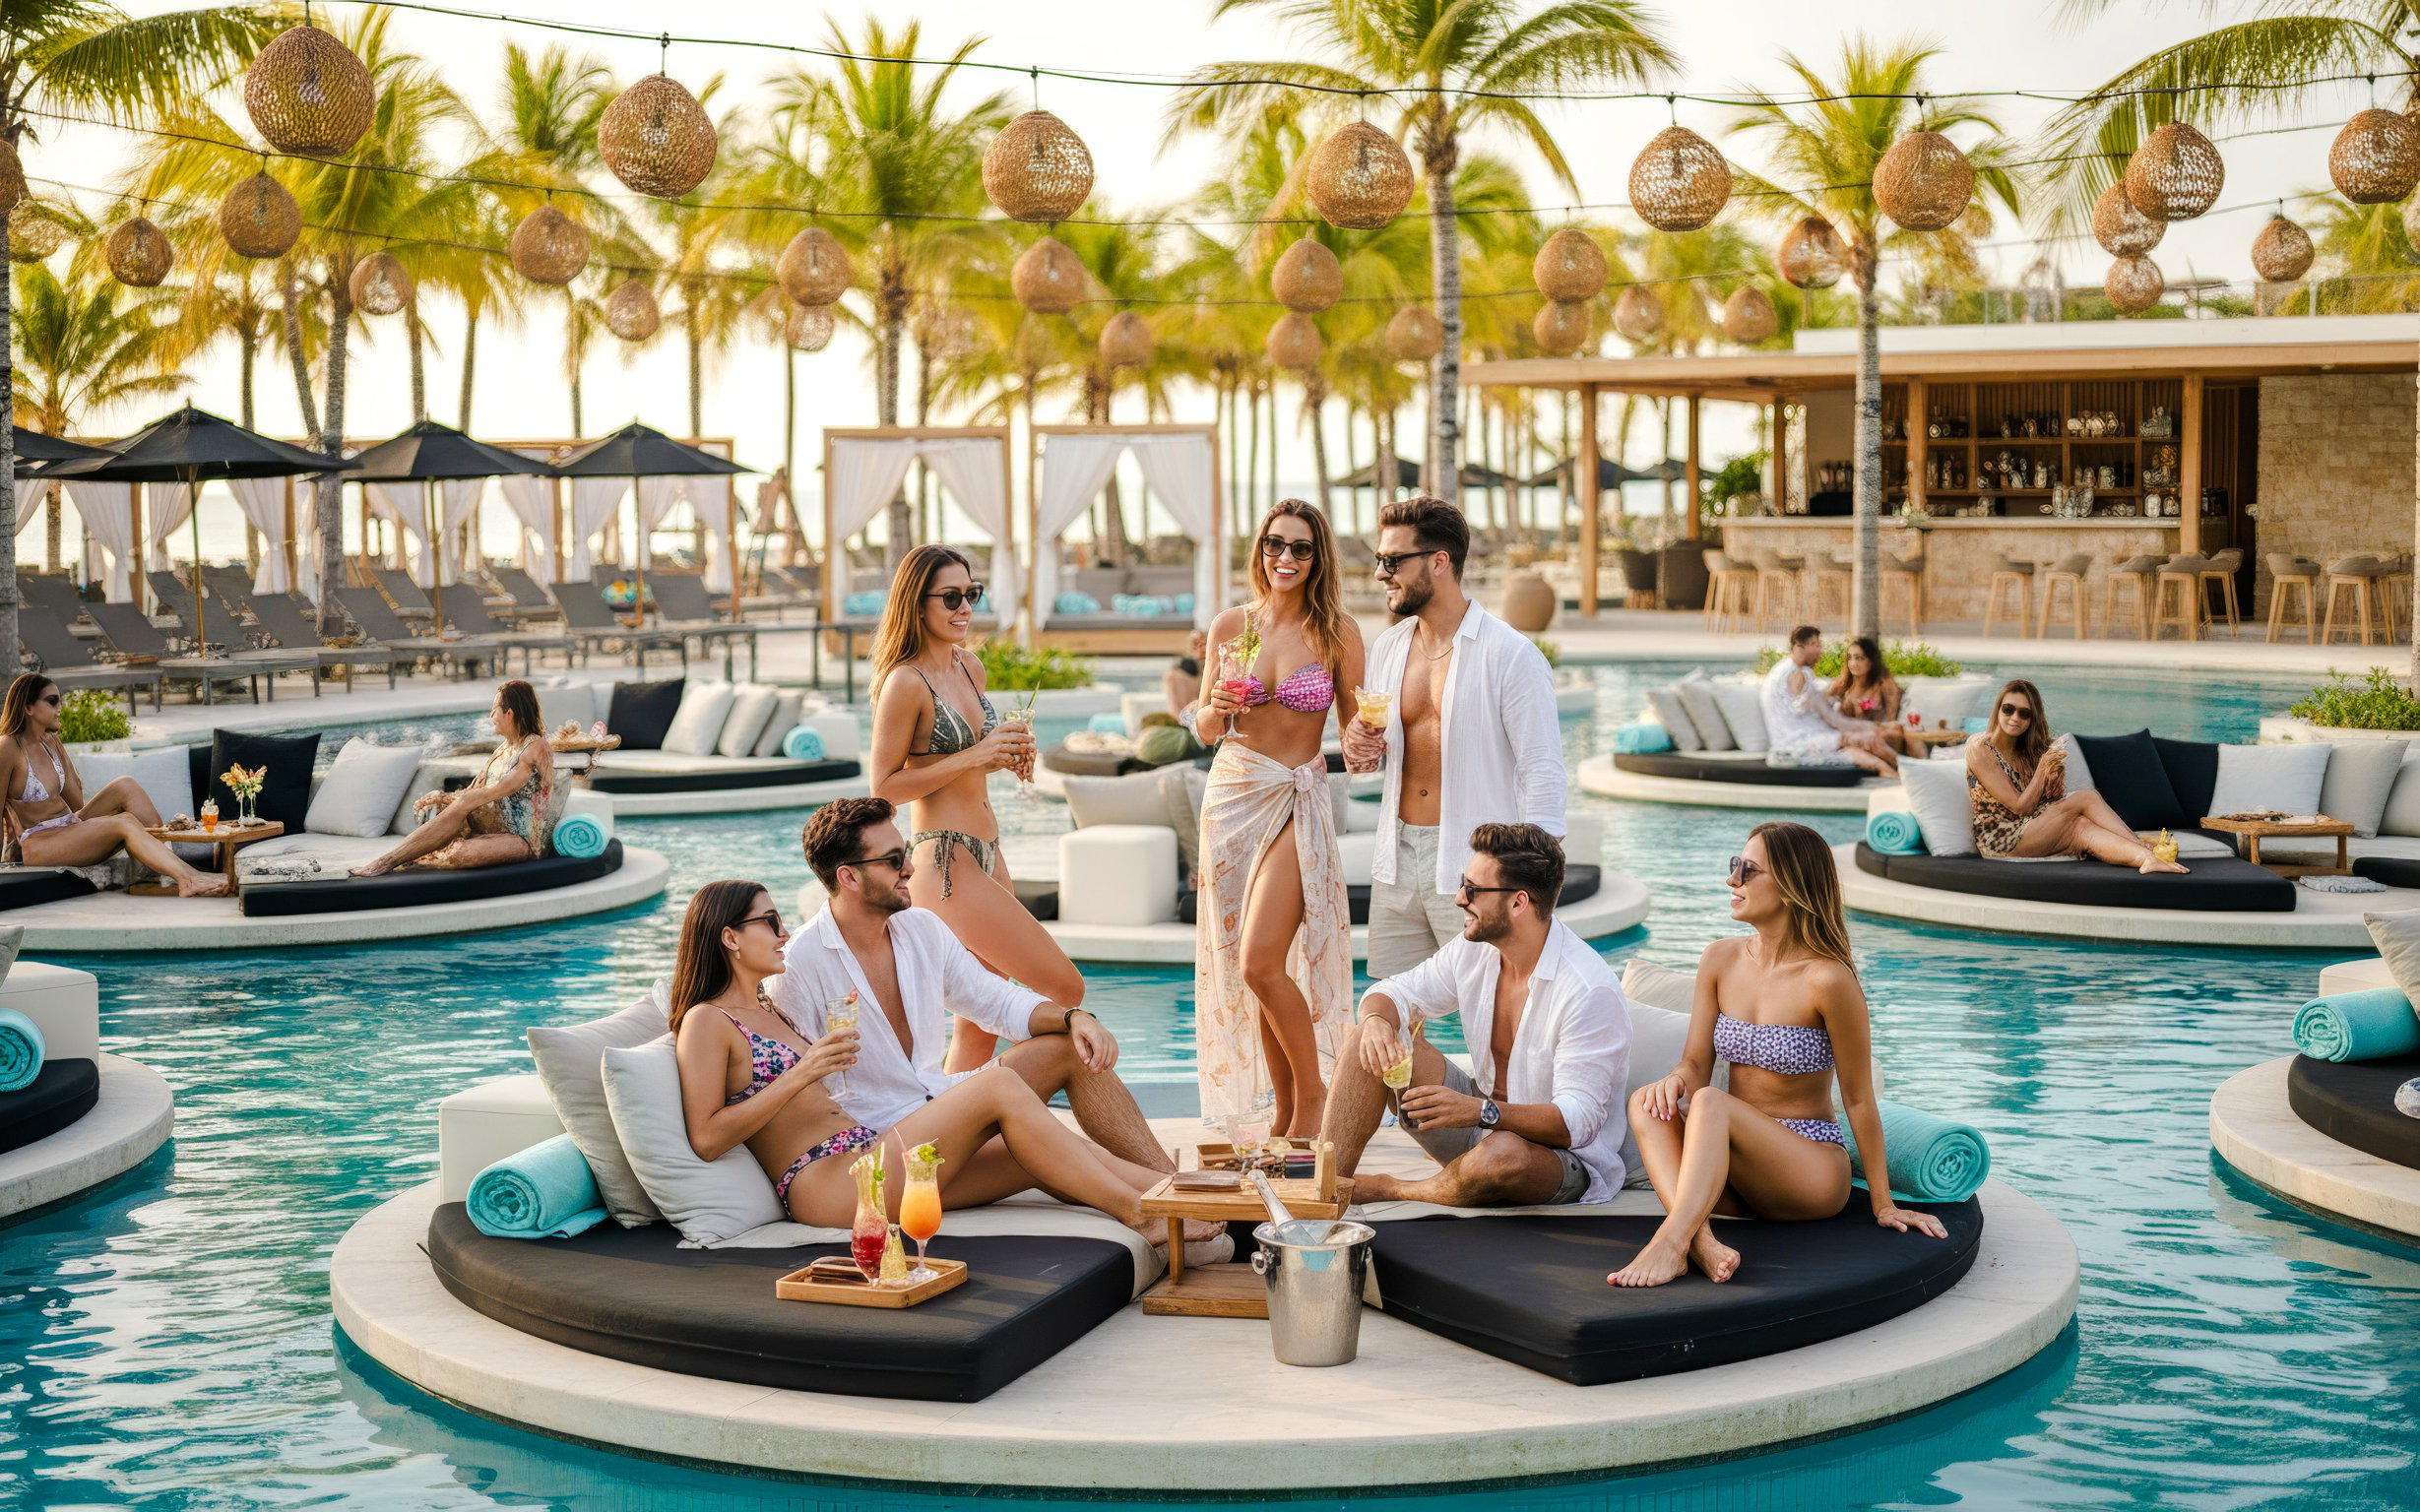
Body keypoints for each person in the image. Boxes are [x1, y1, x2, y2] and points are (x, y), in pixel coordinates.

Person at [674, 878, 1223, 1254]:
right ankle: (1138, 1213)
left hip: (866, 1156)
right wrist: (802, 1072)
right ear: (729, 937)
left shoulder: (772, 1006)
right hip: (825, 1186)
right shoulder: (708, 1022)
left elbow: (992, 1000)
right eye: (768, 921)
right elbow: (706, 1137)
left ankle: (1195, 1198)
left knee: (1034, 1151)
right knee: (999, 1089)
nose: (783, 932)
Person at [768, 797, 1202, 1227]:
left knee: (1066, 1048)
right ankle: (1163, 1209)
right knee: (1020, 1111)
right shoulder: (799, 965)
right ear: (849, 877)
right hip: (881, 1143)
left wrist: (1076, 1018)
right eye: (893, 859)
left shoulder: (921, 929)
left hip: (937, 1101)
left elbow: (997, 1000)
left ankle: (1178, 1189)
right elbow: (797, 1093)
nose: (911, 868)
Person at [1611, 821, 1947, 1289]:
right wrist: (1675, 1081)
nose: (1732, 881)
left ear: (1791, 886)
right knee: (1646, 1104)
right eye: (1735, 867)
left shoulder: (1828, 980)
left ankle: (1670, 1241)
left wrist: (1883, 1202)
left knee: (1710, 1102)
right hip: (1731, 1177)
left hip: (1808, 1171)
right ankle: (1702, 1243)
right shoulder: (1719, 959)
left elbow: (1859, 1099)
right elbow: (1694, 1065)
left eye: (1748, 871)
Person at [1322, 823, 1629, 1207]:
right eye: (1462, 883)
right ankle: (1327, 1190)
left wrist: (1479, 1111)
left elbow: (1577, 1123)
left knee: (1501, 1158)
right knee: (1365, 1038)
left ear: (1519, 902)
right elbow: (1395, 991)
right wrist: (1375, 1022)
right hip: (1475, 1126)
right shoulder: (1475, 949)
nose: (1458, 899)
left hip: (1555, 1159)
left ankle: (1390, 1188)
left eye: (1473, 889)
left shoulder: (1586, 989)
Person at [864, 543, 1080, 1072]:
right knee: (1063, 987)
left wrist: (1004, 756)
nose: (966, 608)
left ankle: (956, 1137)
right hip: (944, 862)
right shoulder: (905, 683)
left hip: (988, 852)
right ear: (917, 604)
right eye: (952, 597)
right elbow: (883, 790)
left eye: (972, 594)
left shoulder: (970, 666)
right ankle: (1015, 1110)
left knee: (982, 1030)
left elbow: (969, 767)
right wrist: (977, 753)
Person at [1193, 499, 1366, 1136]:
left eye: (1300, 547)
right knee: (1256, 967)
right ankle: (1286, 1110)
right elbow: (1208, 728)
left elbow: (1356, 736)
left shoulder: (1336, 633)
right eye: (1274, 545)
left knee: (1260, 962)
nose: (1285, 558)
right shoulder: (1231, 626)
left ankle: (1315, 1095)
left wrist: (1372, 742)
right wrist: (1214, 706)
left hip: (1296, 796)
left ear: (1319, 557)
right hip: (1233, 796)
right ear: (1258, 549)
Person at [1342, 496, 1565, 977]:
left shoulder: (1511, 655)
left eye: (1392, 560)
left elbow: (1543, 770)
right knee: (1393, 1016)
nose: (1381, 573)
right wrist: (1358, 746)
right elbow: (1375, 755)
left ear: (1439, 562)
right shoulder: (1388, 647)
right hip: (1396, 861)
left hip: (1479, 867)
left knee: (1492, 1020)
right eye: (1380, 560)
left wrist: (1531, 884)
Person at [0, 673, 227, 897]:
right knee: (125, 822)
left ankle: (151, 875)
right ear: (27, 707)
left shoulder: (50, 742)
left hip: (68, 826)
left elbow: (76, 802)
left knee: (126, 785)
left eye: (60, 700)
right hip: (39, 843)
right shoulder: (8, 747)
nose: (60, 707)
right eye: (52, 701)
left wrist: (60, 752)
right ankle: (189, 878)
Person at [1967, 678, 2186, 874]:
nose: (2015, 718)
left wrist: (2050, 770)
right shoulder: (1980, 747)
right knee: (2086, 797)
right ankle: (2142, 847)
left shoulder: (2026, 752)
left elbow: (2043, 803)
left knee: (2083, 827)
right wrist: (2044, 766)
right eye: (2008, 709)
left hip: (2030, 830)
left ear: (2032, 719)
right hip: (2002, 840)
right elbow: (2020, 807)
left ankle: (2146, 859)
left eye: (2024, 713)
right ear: (1998, 710)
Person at [352, 679, 556, 876]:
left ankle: (400, 859)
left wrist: (458, 801)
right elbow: (474, 789)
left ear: (509, 713)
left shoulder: (536, 747)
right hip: (490, 829)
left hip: (521, 840)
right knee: (450, 807)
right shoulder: (503, 749)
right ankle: (391, 859)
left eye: (494, 709)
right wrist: (442, 797)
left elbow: (503, 788)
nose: (491, 714)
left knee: (460, 853)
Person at [1761, 625, 1897, 777]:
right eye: (1815, 645)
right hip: (1799, 745)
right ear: (1799, 647)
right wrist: (1875, 727)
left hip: (1795, 743)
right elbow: (1830, 718)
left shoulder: (1781, 670)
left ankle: (1895, 771)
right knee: (1867, 738)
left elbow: (1822, 712)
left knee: (1859, 749)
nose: (1820, 651)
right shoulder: (1798, 674)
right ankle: (1905, 769)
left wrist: (1876, 725)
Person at [1827, 635, 1911, 756]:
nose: (1853, 663)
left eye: (1859, 658)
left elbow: (1890, 719)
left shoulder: (1885, 684)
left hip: (1884, 736)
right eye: (1850, 658)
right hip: (1854, 738)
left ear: (1871, 661)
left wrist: (1863, 716)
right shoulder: (1843, 685)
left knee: (1895, 729)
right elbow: (1822, 705)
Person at [1165, 628, 1206, 717]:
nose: (1200, 647)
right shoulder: (1174, 676)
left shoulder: (1213, 670)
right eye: (1196, 643)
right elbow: (1175, 710)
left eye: (1203, 643)